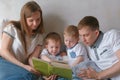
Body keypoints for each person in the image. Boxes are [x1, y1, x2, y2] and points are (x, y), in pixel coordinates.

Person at [0, 1, 44, 80]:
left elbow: (32, 59)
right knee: (25, 76)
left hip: (22, 68)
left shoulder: (39, 37)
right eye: (31, 20)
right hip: (6, 63)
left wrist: (41, 72)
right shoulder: (12, 28)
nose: (35, 23)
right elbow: (3, 51)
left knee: (32, 76)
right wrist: (24, 66)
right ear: (24, 19)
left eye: (38, 19)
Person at [78, 16, 120, 80]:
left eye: (86, 35)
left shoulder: (112, 36)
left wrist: (99, 75)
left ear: (96, 33)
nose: (83, 39)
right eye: (81, 35)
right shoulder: (87, 48)